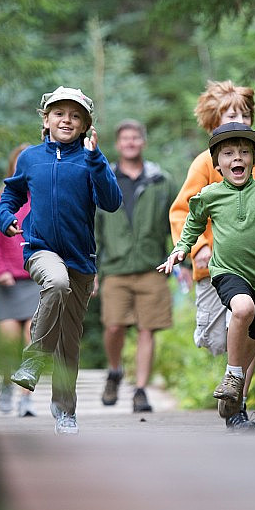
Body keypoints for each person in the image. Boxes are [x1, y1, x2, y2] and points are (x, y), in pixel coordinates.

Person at [158, 122, 255, 434]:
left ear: (253, 159)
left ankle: (234, 400)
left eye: (243, 152)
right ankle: (233, 377)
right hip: (227, 272)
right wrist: (181, 249)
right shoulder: (209, 195)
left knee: (253, 339)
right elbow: (193, 223)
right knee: (242, 309)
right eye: (228, 153)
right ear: (218, 163)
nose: (236, 158)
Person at [0, 86, 122, 435]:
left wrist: (97, 160)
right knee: (55, 281)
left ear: (85, 125)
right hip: (39, 248)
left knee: (69, 342)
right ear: (47, 119)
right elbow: (11, 194)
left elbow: (111, 202)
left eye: (75, 115)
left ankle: (64, 411)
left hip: (81, 258)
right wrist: (5, 216)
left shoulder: (90, 160)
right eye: (60, 113)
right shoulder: (31, 158)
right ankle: (34, 358)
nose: (67, 120)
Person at [94, 119, 175, 412]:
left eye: (135, 137)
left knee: (147, 329)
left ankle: (140, 390)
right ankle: (115, 370)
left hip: (152, 266)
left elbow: (178, 222)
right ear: (118, 144)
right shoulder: (103, 179)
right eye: (125, 138)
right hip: (114, 267)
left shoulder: (161, 181)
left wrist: (185, 261)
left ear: (143, 142)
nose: (130, 143)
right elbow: (93, 227)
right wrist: (91, 269)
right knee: (114, 326)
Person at [0, 143, 40, 417]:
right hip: (7, 283)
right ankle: (6, 385)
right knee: (7, 341)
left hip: (35, 278)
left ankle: (26, 398)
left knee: (34, 338)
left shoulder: (42, 197)